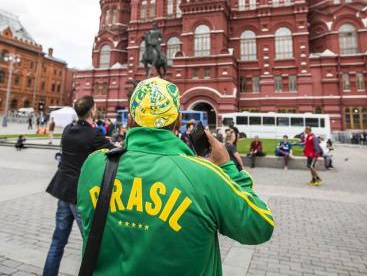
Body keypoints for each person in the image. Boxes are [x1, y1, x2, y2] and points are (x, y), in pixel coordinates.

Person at [77, 77, 274, 276]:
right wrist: (227, 168)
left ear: (130, 119)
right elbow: (259, 226)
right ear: (178, 121)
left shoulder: (94, 165)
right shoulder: (205, 176)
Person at [43, 95, 113, 276]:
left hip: (63, 191)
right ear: (92, 110)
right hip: (80, 195)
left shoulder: (67, 130)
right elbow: (112, 150)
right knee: (91, 244)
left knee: (57, 241)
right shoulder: (94, 134)